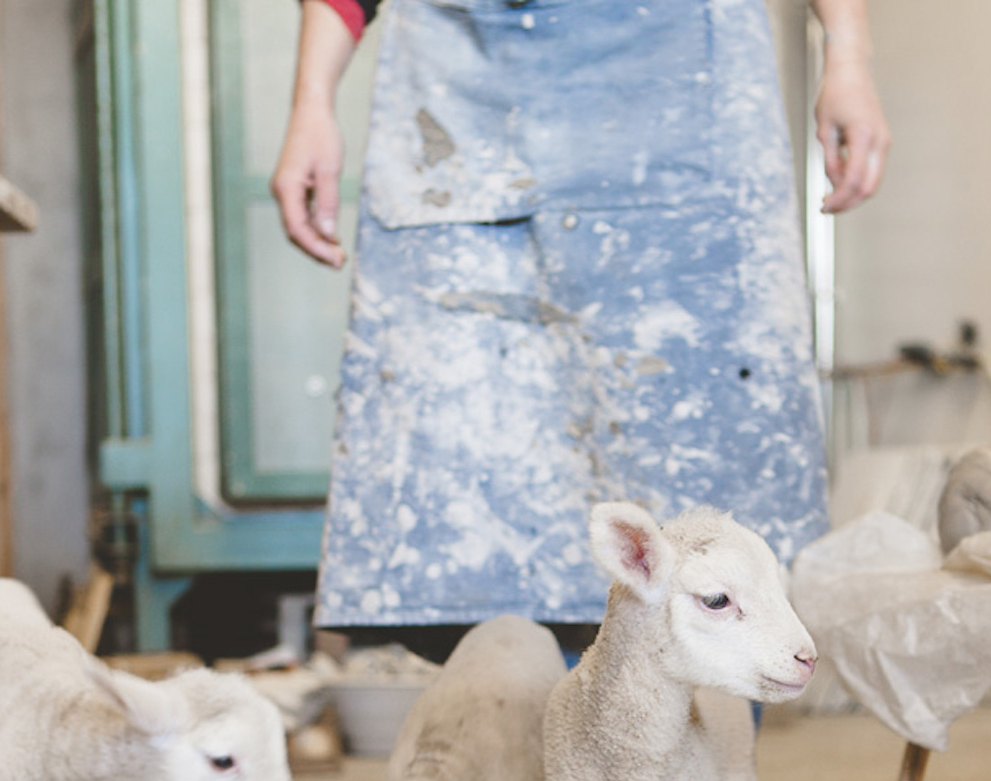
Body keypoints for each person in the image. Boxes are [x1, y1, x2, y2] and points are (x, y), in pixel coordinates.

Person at [274, 0, 889, 634]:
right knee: (476, 514)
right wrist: (311, 104)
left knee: (707, 568)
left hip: (679, 91)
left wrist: (847, 55)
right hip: (460, 96)